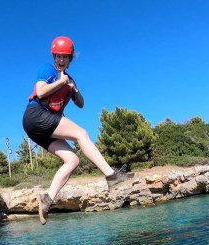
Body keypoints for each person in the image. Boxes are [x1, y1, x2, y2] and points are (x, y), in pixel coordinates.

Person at [22, 36, 134, 225]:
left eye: (65, 57)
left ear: (70, 59)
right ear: (53, 56)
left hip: (39, 128)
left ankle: (47, 199)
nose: (61, 60)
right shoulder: (48, 70)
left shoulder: (69, 80)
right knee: (81, 134)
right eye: (58, 56)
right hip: (35, 115)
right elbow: (40, 92)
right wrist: (61, 82)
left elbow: (81, 104)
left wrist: (74, 90)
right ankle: (111, 176)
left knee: (73, 160)